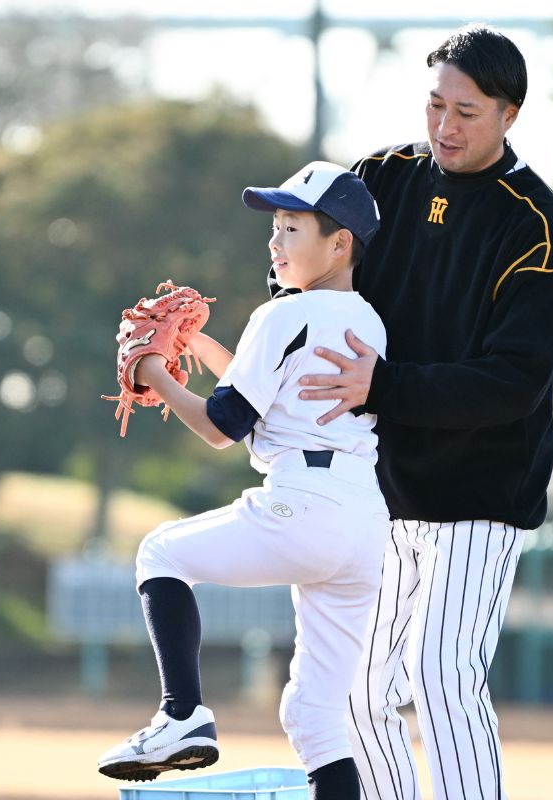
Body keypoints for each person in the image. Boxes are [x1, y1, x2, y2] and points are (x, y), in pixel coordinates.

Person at [288, 25, 553, 800]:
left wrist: (383, 386)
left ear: (510, 115)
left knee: (440, 676)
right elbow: (309, 272)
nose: (446, 126)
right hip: (376, 491)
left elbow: (510, 383)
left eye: (469, 112)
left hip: (480, 494)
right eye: (436, 104)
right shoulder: (378, 178)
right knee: (354, 691)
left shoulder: (537, 229)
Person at [95, 161, 391, 800]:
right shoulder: (369, 320)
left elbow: (222, 428)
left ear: (339, 244)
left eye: (292, 227)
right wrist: (198, 348)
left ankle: (182, 717)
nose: (275, 241)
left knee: (161, 553)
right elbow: (264, 405)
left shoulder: (280, 315)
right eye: (275, 227)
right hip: (363, 522)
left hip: (303, 506)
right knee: (315, 718)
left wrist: (155, 373)